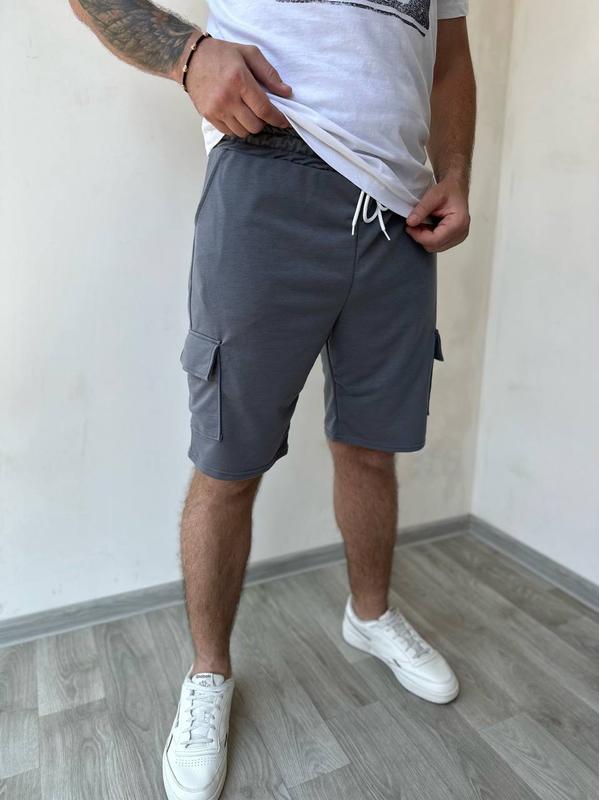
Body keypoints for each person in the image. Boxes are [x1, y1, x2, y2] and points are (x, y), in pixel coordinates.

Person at [69, 1, 476, 798]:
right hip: (267, 168)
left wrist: (454, 171)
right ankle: (208, 672)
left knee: (371, 445)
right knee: (229, 460)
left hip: (399, 211)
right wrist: (188, 55)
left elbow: (450, 56)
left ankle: (369, 616)